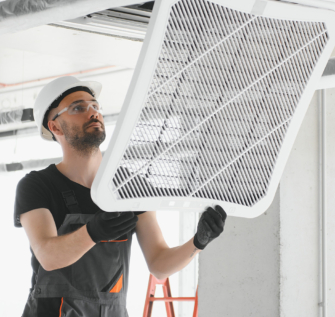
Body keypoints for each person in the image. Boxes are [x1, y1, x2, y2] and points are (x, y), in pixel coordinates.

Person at [14, 76, 227, 316]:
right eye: (78, 108)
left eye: (95, 106)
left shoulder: (128, 186)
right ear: (55, 127)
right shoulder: (37, 185)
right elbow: (48, 256)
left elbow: (159, 264)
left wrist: (198, 242)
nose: (93, 112)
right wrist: (93, 232)